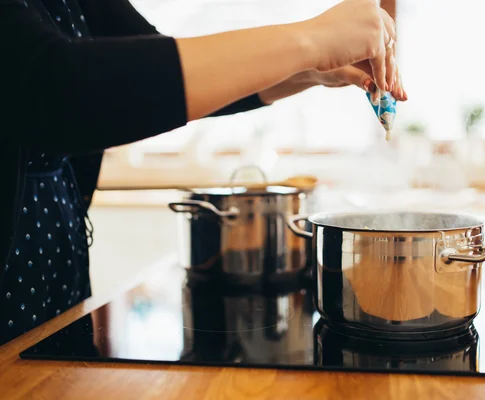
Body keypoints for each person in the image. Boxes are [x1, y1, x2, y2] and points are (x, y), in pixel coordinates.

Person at [0, 0, 407, 346]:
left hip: (55, 263)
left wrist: (310, 70)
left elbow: (159, 69)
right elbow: (53, 84)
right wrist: (312, 40)